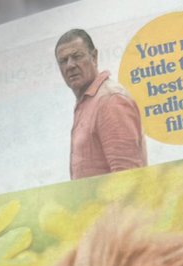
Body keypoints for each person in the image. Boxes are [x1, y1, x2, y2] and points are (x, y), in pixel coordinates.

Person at [55, 28, 147, 178]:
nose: (70, 65)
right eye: (63, 61)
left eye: (77, 56)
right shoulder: (89, 102)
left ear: (94, 57)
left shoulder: (110, 101)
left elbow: (128, 176)